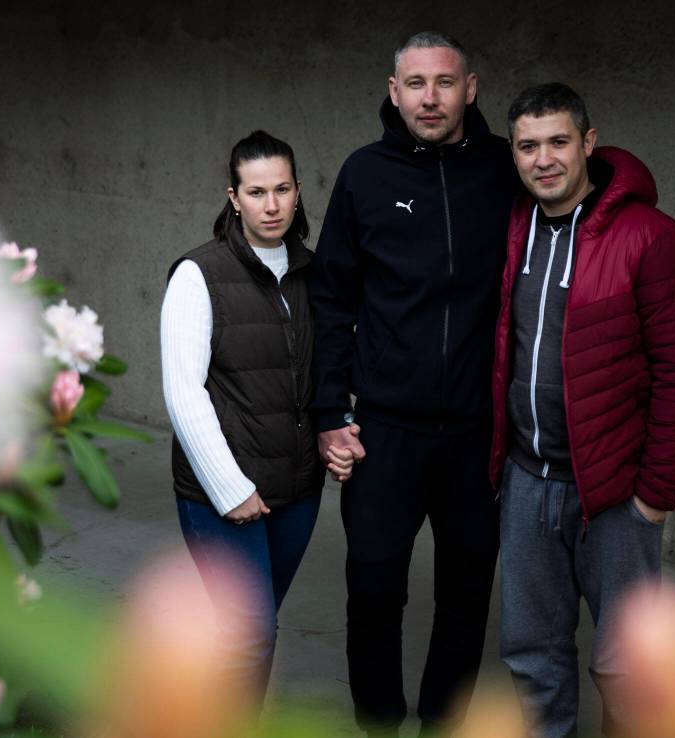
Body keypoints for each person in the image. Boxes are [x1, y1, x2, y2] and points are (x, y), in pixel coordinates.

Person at [310, 32, 521, 737]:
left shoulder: (504, 169)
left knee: (466, 594)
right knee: (372, 588)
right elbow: (332, 299)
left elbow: (576, 178)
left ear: (472, 87)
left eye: (445, 82)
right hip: (385, 430)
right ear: (392, 90)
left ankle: (443, 722)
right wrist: (328, 412)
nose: (430, 97)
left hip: (476, 431)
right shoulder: (364, 175)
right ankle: (377, 723)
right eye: (415, 83)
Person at [490, 83, 675, 738]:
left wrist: (657, 494)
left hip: (615, 494)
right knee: (532, 654)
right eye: (528, 146)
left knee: (626, 667)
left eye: (559, 141)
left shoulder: (654, 239)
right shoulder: (513, 230)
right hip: (527, 482)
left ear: (588, 143)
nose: (544, 159)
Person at [160, 130, 356, 708]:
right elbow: (182, 390)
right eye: (255, 191)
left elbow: (325, 375)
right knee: (250, 636)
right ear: (233, 196)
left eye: (282, 189)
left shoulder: (315, 273)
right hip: (222, 497)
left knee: (243, 636)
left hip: (295, 492)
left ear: (298, 193)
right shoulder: (199, 274)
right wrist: (229, 488)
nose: (270, 205)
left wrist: (335, 433)